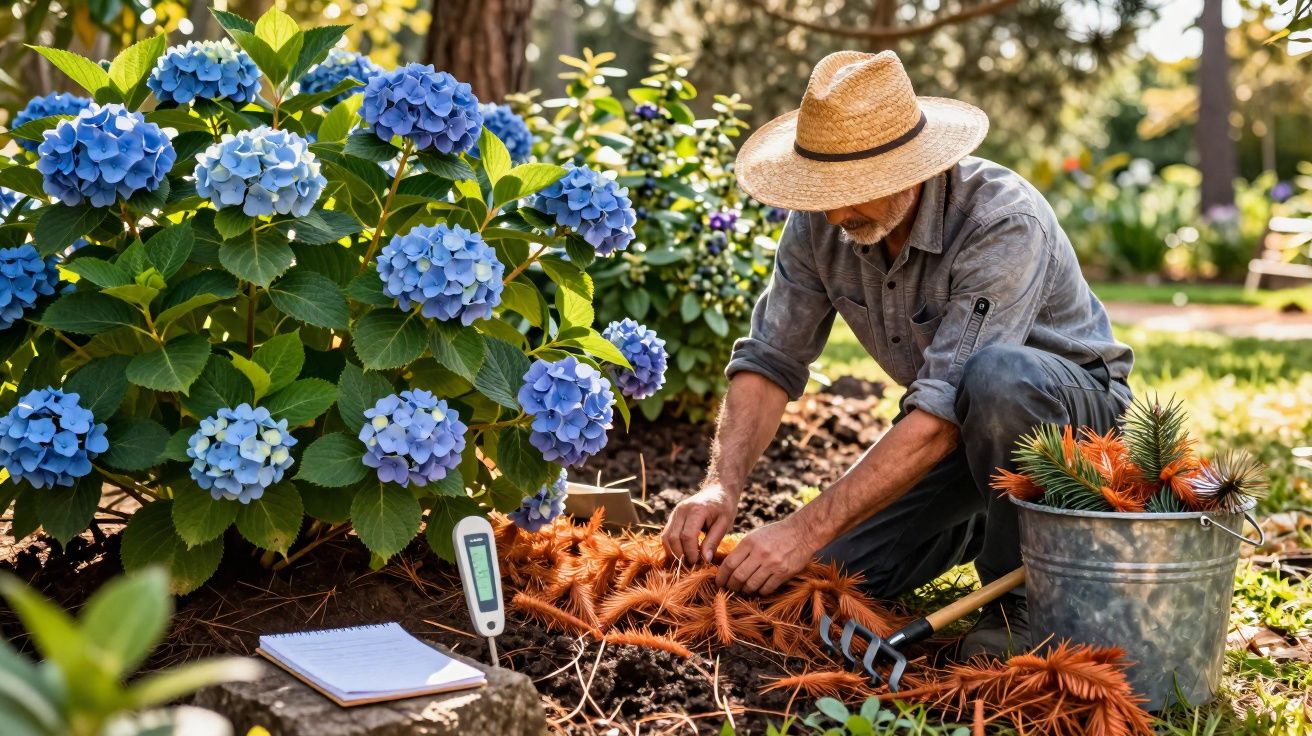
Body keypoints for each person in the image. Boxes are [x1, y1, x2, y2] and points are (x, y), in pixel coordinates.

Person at [659, 50, 1134, 658]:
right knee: (823, 578)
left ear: (912, 168)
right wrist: (719, 487)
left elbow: (943, 413)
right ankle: (990, 517)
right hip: (959, 431)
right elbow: (771, 360)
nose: (834, 211)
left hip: (1070, 429)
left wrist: (802, 526)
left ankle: (1023, 603)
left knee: (999, 378)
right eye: (822, 190)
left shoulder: (1001, 221)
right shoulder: (820, 225)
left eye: (851, 190)